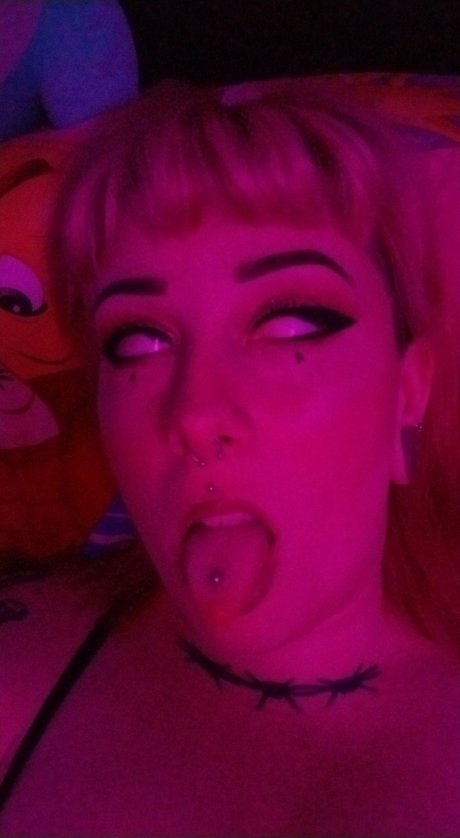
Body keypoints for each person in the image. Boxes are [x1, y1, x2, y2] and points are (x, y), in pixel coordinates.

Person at [1, 76, 460, 836]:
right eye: (138, 341)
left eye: (292, 325)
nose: (195, 414)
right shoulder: (19, 668)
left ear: (408, 392)